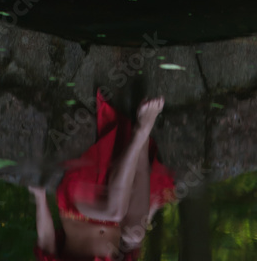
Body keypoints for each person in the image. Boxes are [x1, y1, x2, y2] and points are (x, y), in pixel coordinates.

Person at [29, 95, 174, 261]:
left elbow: (47, 242)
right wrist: (147, 210)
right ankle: (142, 142)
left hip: (80, 207)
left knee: (115, 213)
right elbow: (129, 251)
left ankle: (140, 132)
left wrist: (39, 196)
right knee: (135, 235)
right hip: (118, 203)